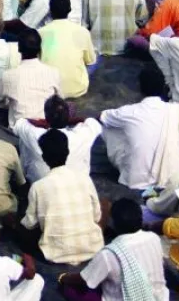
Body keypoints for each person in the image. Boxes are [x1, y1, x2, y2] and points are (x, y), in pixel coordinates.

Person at [58, 198, 169, 301]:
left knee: (70, 289)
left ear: (115, 224)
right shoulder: (154, 238)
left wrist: (64, 277)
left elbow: (83, 281)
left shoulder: (109, 254)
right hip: (159, 297)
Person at [20, 130, 103, 264]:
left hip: (55, 255)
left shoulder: (38, 187)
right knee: (104, 204)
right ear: (68, 152)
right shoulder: (85, 179)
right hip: (92, 249)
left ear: (44, 157)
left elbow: (30, 224)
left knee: (25, 218)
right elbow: (97, 217)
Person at [100, 66, 179, 190]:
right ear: (164, 87)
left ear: (140, 88)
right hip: (174, 176)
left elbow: (103, 117)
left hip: (137, 180)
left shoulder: (129, 112)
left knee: (107, 127)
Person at [13, 95, 102, 182]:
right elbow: (94, 123)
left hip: (42, 183)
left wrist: (41, 122)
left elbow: (19, 124)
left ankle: (21, 179)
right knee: (87, 143)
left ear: (46, 116)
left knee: (24, 139)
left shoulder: (34, 133)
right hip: (78, 183)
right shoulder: (82, 134)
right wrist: (71, 119)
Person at [37, 0, 97, 99]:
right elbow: (90, 61)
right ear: (69, 10)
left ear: (50, 11)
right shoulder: (82, 32)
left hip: (49, 90)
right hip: (78, 89)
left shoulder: (41, 32)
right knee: (96, 58)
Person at [0, 29, 62, 126]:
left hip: (17, 131)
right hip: (45, 128)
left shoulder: (8, 75)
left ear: (19, 49)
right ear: (40, 48)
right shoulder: (54, 72)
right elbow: (60, 100)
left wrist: (11, 103)